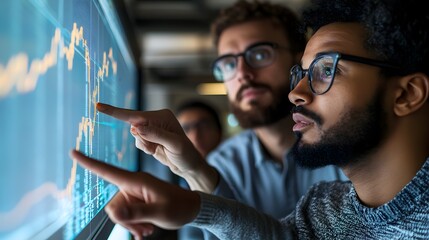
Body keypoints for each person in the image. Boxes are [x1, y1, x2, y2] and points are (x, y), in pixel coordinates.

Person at [71, 0, 429, 238]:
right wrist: (194, 198)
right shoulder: (325, 207)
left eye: (325, 70)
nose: (297, 93)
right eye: (301, 73)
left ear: (406, 94)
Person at [138, 1, 347, 239]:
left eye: (259, 54)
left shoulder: (346, 145)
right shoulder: (220, 167)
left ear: (301, 61)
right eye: (228, 63)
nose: (242, 73)